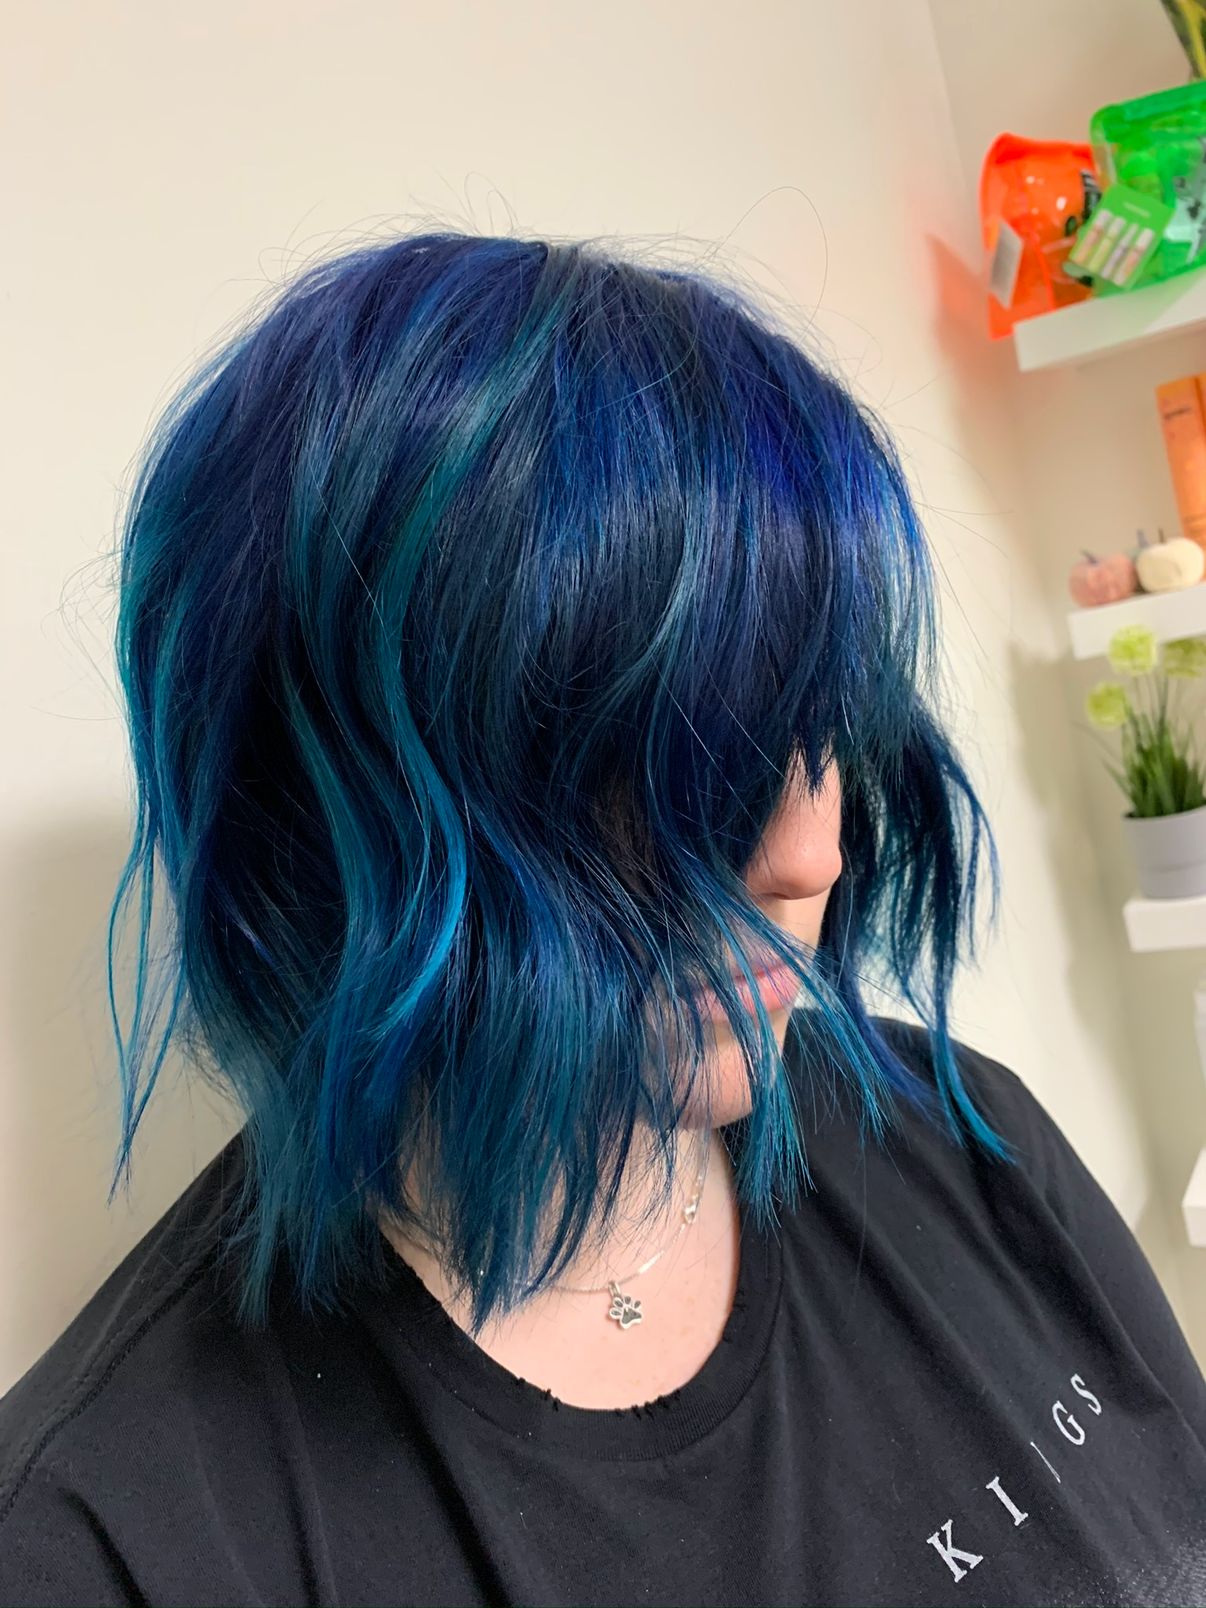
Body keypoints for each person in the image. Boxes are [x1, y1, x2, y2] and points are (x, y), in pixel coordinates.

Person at [1, 232, 1204, 1608]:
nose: (811, 847)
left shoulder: (961, 1139)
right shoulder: (106, 1547)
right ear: (338, 792)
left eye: (818, 721)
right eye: (684, 749)